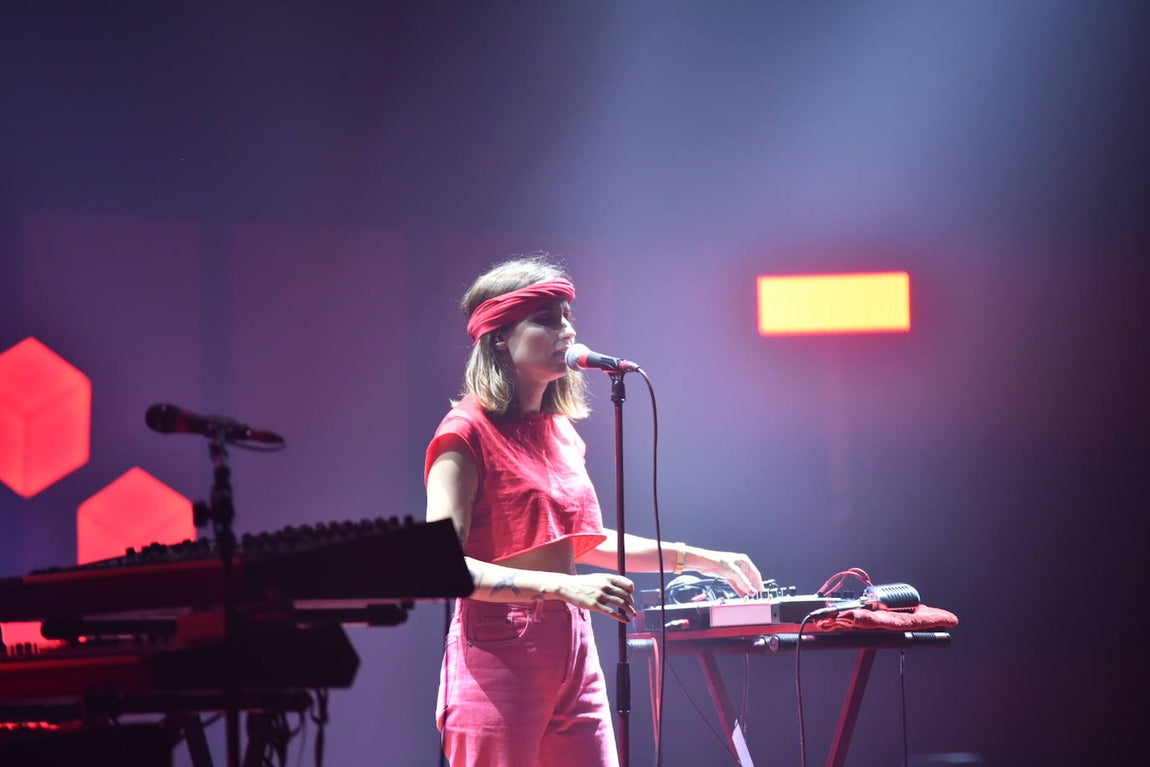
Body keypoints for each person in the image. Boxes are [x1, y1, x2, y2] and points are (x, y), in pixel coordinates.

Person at [425, 254, 764, 767]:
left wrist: (700, 558)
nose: (566, 330)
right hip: (498, 647)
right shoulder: (463, 434)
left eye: (566, 316)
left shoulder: (560, 432)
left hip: (573, 641)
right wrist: (564, 586)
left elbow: (586, 540)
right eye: (546, 318)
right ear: (498, 337)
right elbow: (441, 568)